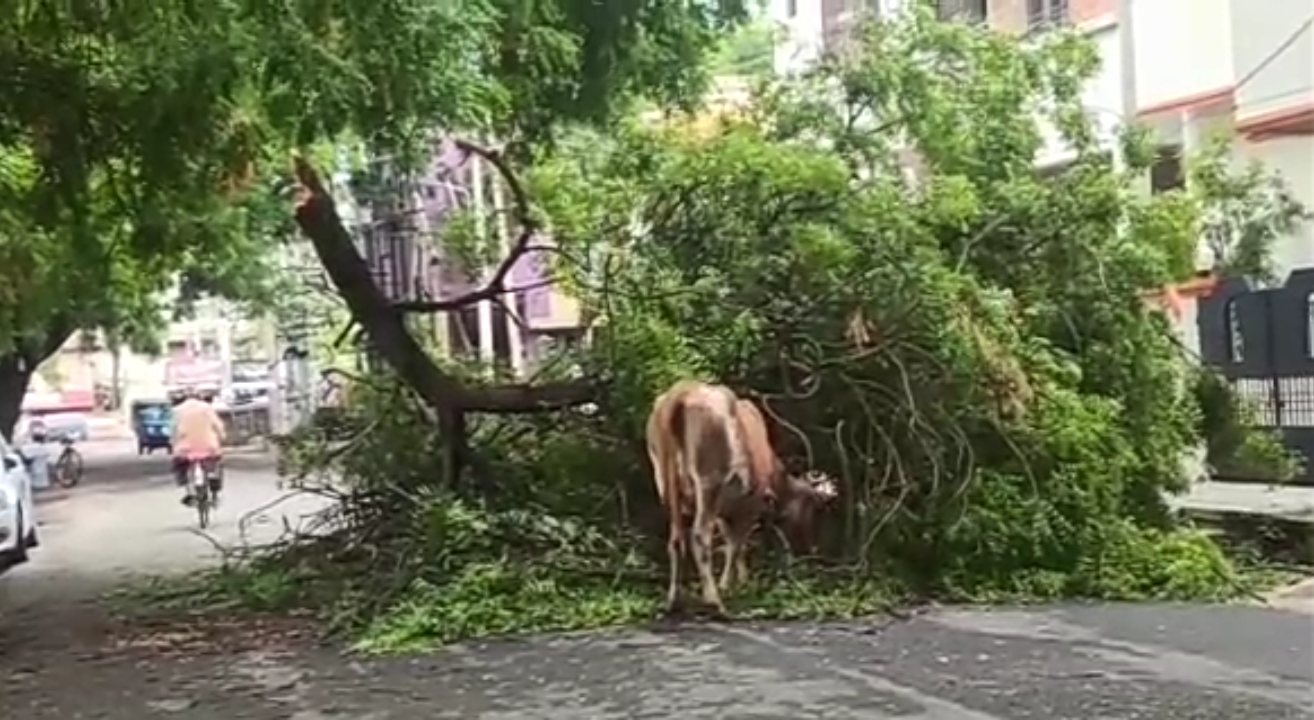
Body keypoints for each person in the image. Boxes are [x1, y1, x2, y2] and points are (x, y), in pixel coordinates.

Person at [170, 386, 226, 506]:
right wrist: (222, 437)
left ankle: (188, 491)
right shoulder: (207, 408)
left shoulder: (177, 410)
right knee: (215, 463)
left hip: (185, 449)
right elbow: (218, 426)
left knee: (180, 467)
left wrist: (173, 443)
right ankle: (213, 478)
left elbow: (174, 430)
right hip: (209, 446)